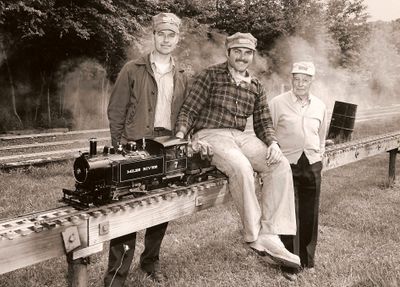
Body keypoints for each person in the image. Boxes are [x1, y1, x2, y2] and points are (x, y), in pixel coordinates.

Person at [175, 32, 300, 268]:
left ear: (252, 55)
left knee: (279, 163)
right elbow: (189, 110)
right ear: (228, 52)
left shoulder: (255, 86)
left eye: (248, 53)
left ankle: (272, 233)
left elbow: (263, 122)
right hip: (210, 134)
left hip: (240, 136)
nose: (242, 57)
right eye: (238, 52)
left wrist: (273, 143)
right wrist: (182, 137)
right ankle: (255, 236)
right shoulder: (210, 76)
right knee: (241, 166)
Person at [105, 12, 187, 286]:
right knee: (126, 209)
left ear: (178, 39)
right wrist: (118, 148)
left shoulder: (183, 73)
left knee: (161, 206)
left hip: (166, 145)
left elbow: (187, 112)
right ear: (153, 36)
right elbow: (116, 110)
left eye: (171, 34)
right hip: (134, 144)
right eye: (161, 34)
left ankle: (150, 261)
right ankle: (117, 275)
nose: (166, 39)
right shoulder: (133, 68)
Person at [269, 61, 328, 280]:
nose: (300, 83)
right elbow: (268, 132)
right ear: (291, 79)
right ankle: (290, 263)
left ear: (312, 81)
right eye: (296, 78)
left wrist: (319, 154)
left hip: (312, 162)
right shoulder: (277, 103)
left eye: (305, 79)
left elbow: (321, 134)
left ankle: (308, 260)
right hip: (286, 163)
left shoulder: (320, 105)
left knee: (310, 212)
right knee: (288, 213)